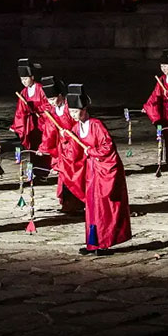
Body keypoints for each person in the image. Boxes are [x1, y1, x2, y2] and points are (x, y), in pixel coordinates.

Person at [69, 83, 131, 255]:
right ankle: (92, 243)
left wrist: (92, 151)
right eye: (71, 112)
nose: (73, 115)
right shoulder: (75, 128)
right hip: (91, 171)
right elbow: (74, 150)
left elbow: (108, 147)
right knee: (91, 207)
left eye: (75, 111)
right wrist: (66, 140)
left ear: (84, 109)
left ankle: (104, 243)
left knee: (104, 207)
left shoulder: (96, 125)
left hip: (105, 170)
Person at [38, 76, 83, 213]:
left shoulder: (71, 108)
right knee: (63, 175)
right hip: (62, 147)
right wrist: (43, 147)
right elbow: (49, 131)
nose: (51, 102)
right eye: (49, 100)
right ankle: (67, 204)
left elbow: (78, 124)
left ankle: (78, 203)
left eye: (53, 99)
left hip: (75, 146)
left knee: (75, 175)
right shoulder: (52, 112)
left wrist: (70, 133)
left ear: (60, 95)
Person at [12, 58, 47, 151]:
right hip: (31, 123)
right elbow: (20, 111)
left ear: (32, 77)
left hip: (42, 121)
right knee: (33, 146)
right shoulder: (23, 92)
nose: (23, 81)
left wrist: (37, 109)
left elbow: (48, 105)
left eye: (25, 79)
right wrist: (16, 126)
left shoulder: (41, 89)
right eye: (22, 79)